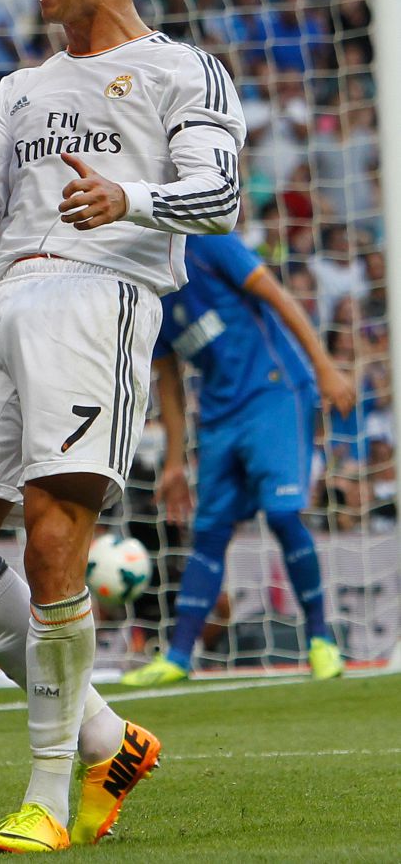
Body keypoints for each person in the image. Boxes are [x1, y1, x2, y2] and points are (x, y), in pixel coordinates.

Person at [0, 0, 245, 854]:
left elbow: (219, 197)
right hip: (0, 298)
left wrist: (127, 198)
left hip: (99, 293)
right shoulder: (20, 90)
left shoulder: (183, 69)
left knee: (55, 537)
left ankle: (47, 798)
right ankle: (106, 738)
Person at [121, 234, 354, 688]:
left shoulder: (208, 244)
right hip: (219, 414)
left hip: (274, 392)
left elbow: (279, 298)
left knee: (283, 514)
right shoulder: (150, 284)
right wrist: (174, 464)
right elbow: (169, 381)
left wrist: (324, 366)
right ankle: (178, 657)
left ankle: (321, 641)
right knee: (209, 532)